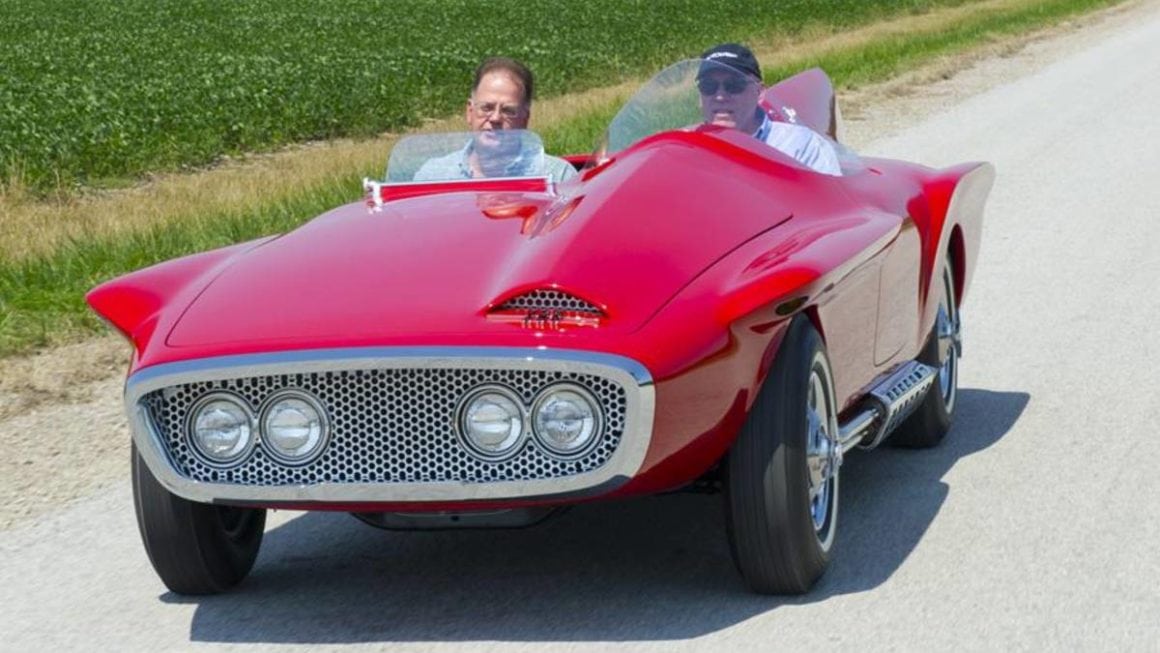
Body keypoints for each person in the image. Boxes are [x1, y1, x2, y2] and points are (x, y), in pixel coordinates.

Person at [413, 57, 577, 183]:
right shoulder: (432, 176)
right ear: (470, 112)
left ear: (525, 119)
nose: (495, 118)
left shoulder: (556, 176)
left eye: (508, 111)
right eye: (486, 108)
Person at [698, 43, 841, 176]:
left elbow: (831, 193)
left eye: (734, 85)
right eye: (708, 85)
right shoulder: (690, 147)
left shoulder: (800, 146)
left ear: (759, 92)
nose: (720, 97)